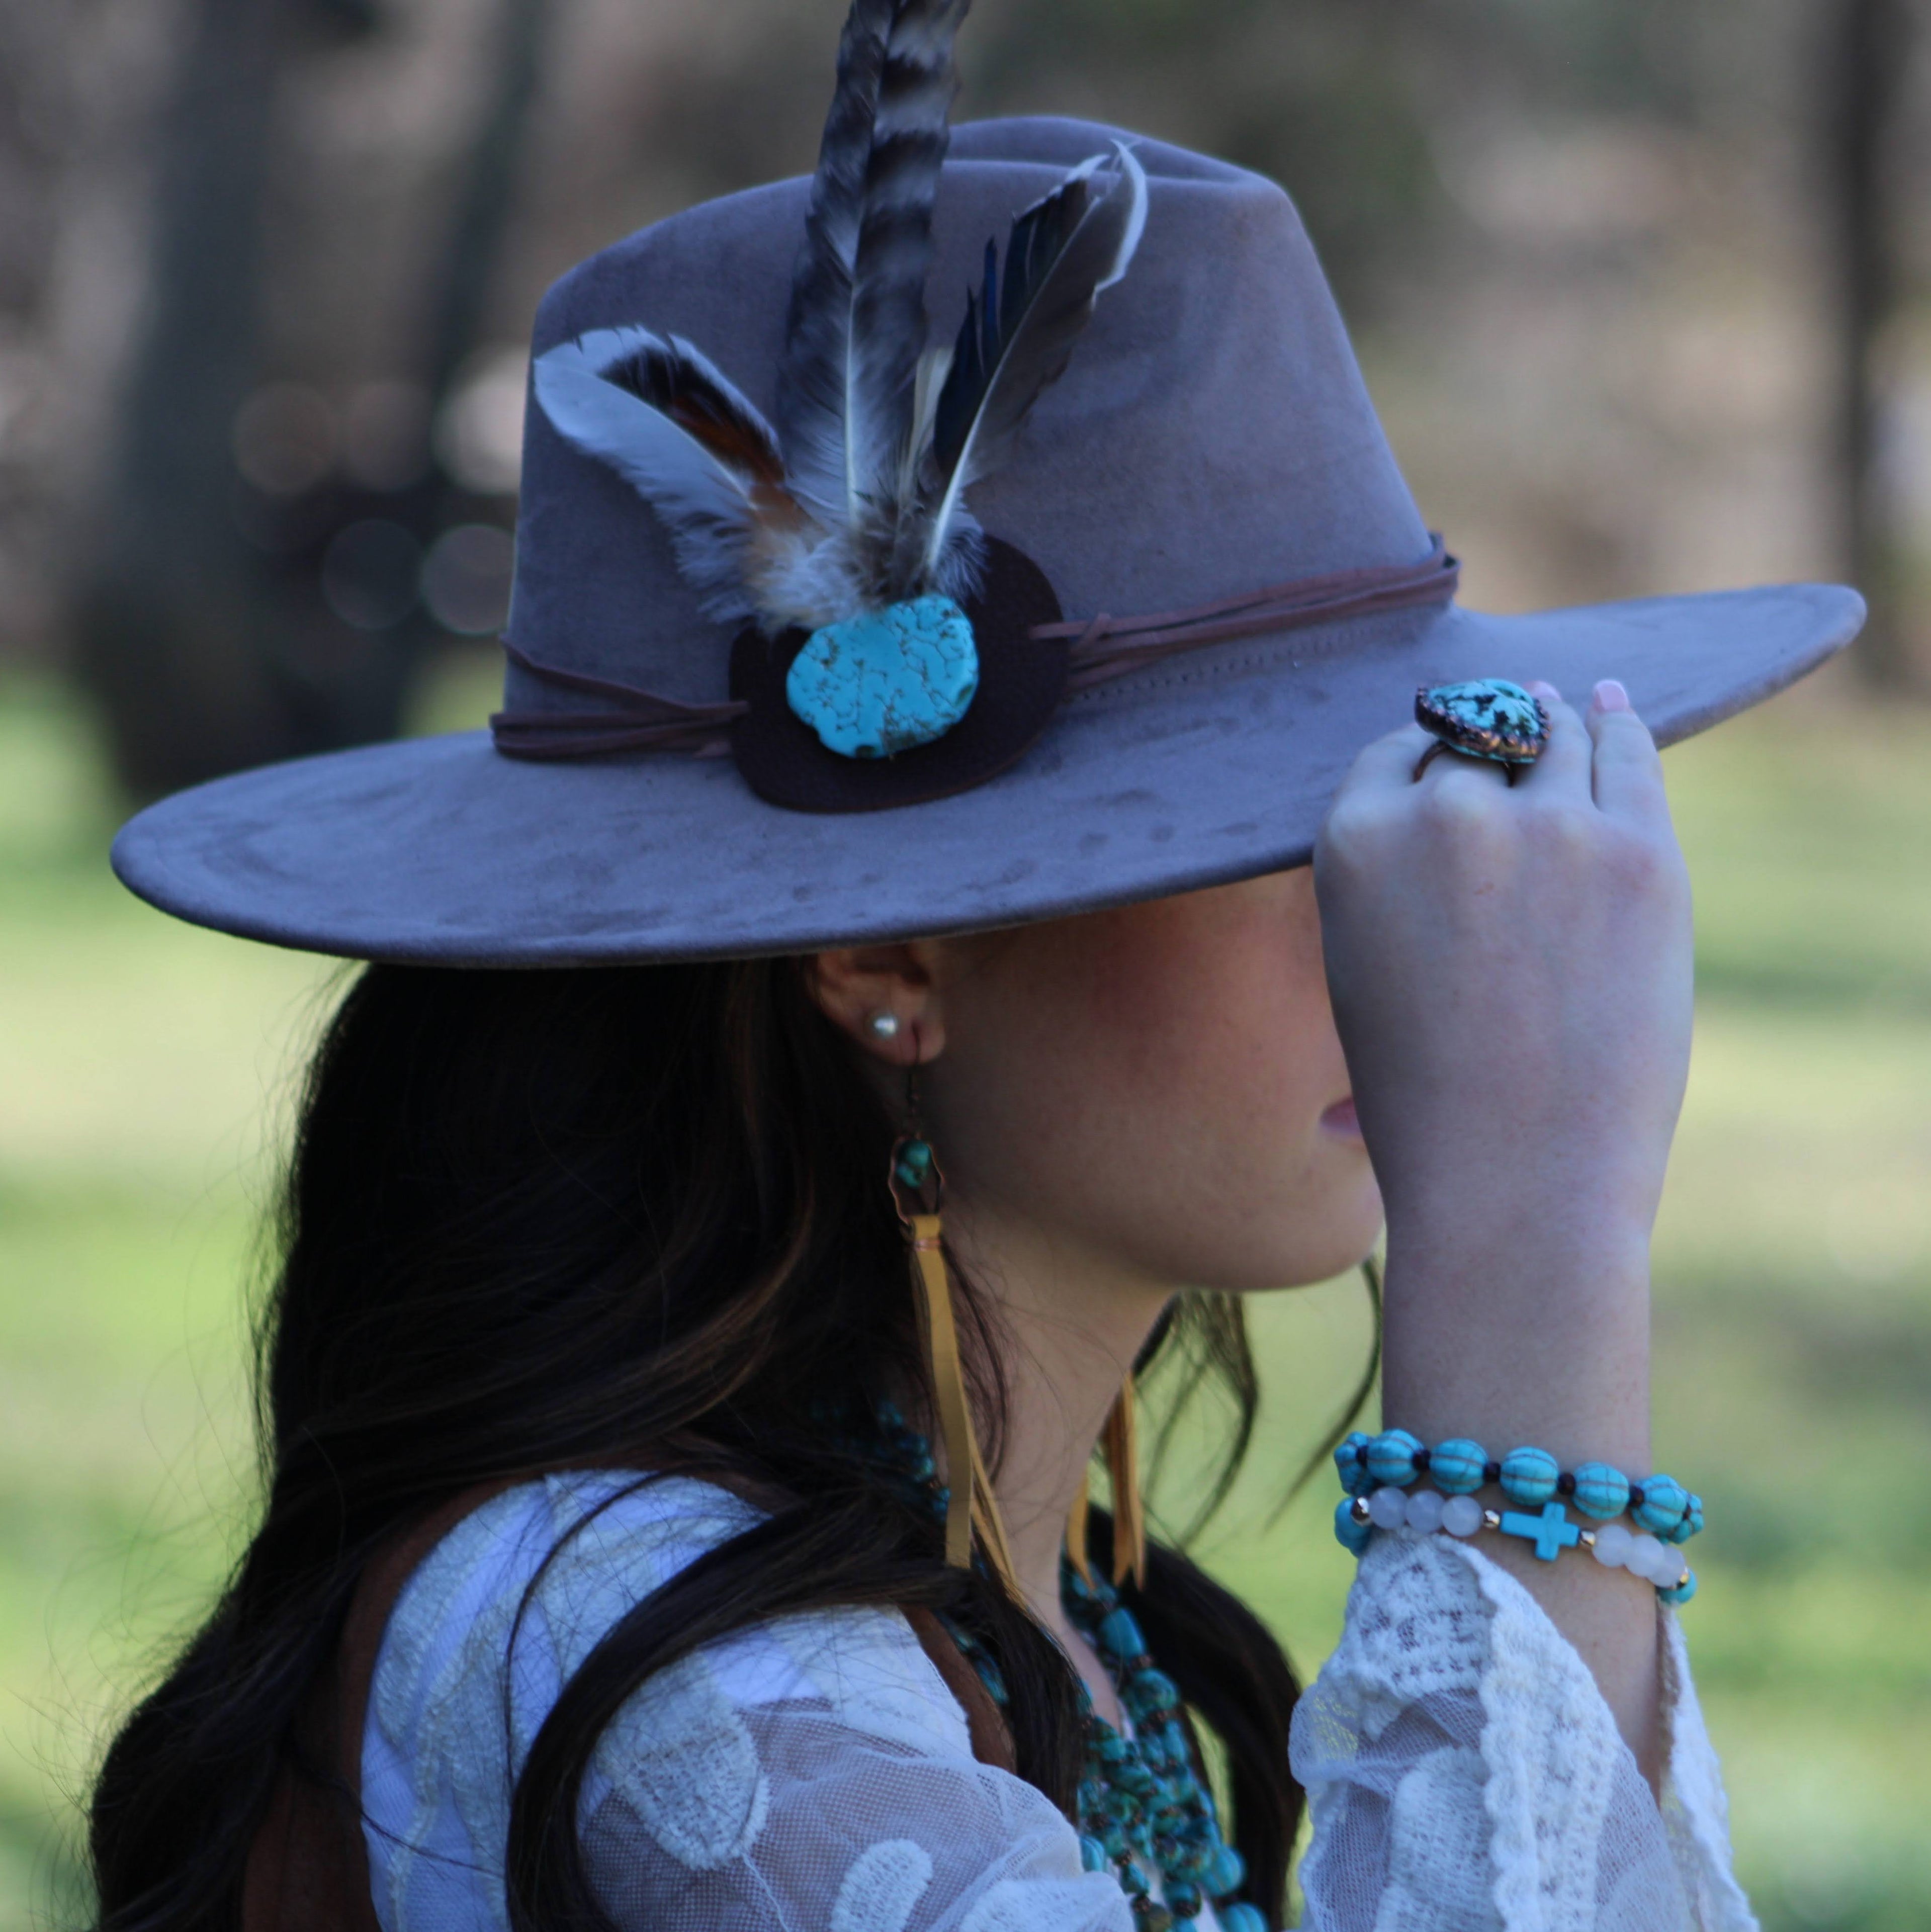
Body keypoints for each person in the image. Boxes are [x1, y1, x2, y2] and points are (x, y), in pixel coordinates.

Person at [92, 4, 1862, 1928]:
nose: (1419, 915)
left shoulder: (1037, 1600)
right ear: (878, 959)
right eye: (1287, 832)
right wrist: (1531, 1258)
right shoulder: (673, 1668)